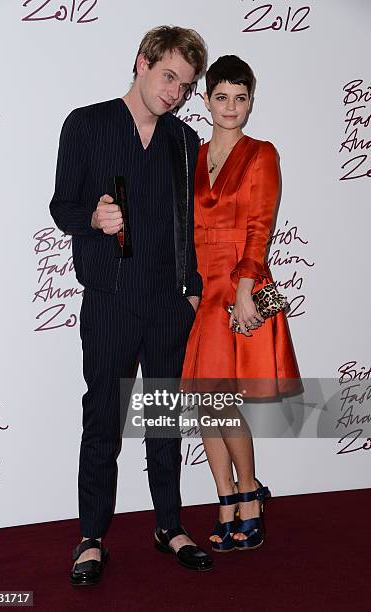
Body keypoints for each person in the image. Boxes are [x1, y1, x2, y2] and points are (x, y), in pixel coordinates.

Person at [50, 26, 213, 585]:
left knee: (165, 419)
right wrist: (93, 220)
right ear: (141, 62)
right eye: (168, 76)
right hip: (109, 302)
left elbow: (190, 225)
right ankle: (91, 536)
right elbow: (61, 205)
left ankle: (168, 524)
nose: (175, 93)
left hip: (169, 304)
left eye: (186, 86)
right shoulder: (86, 124)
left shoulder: (184, 141)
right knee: (103, 420)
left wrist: (191, 288)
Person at [182, 55, 301, 552]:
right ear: (206, 99)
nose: (231, 106)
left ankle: (249, 497)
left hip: (240, 286)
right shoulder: (192, 155)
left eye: (241, 97)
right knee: (209, 404)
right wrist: (189, 286)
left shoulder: (261, 154)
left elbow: (260, 225)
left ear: (251, 102)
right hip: (202, 290)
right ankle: (225, 497)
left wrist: (247, 290)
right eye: (221, 96)